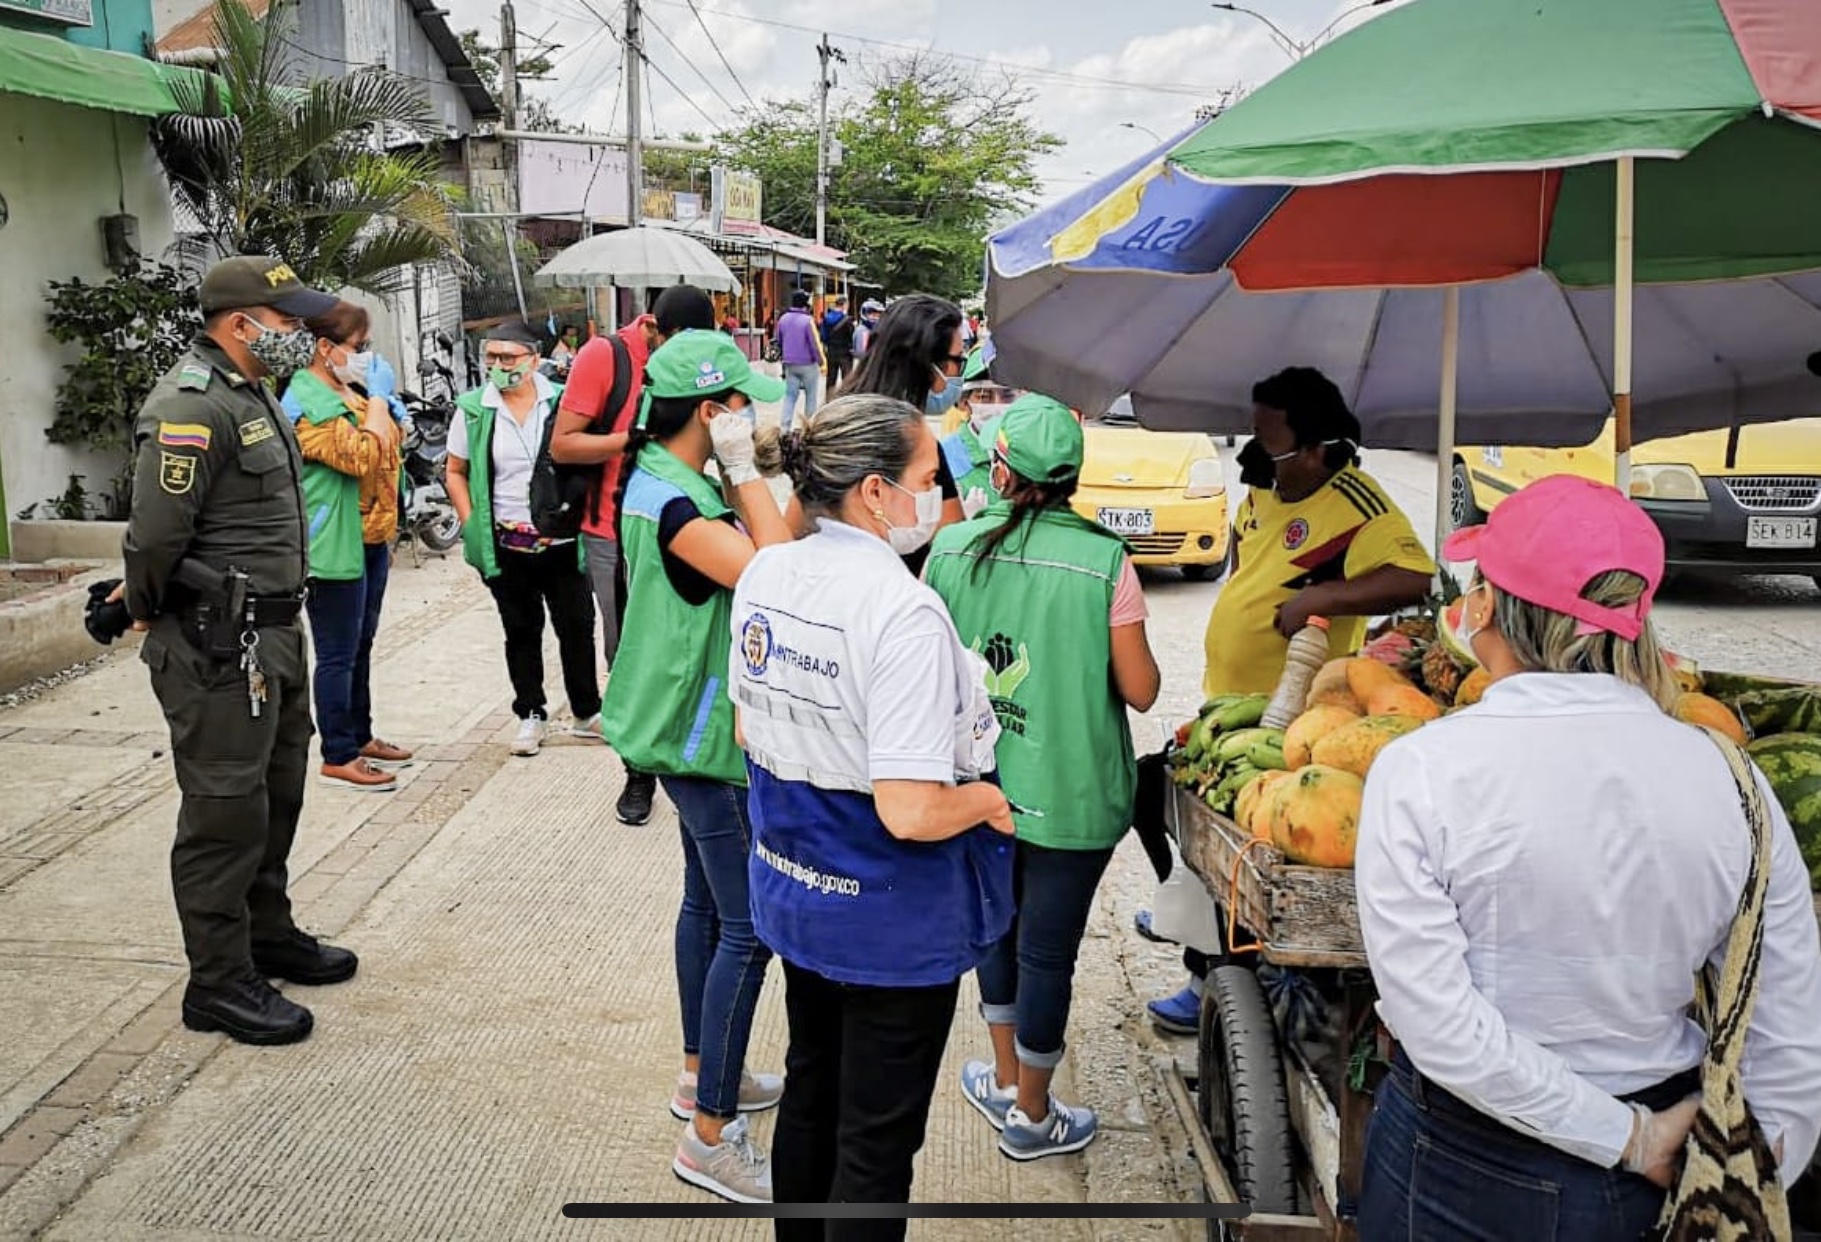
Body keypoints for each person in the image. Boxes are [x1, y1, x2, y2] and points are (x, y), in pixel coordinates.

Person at [1355, 473, 1821, 1238]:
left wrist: (1630, 1139)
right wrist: (1741, 1159)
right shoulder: (1735, 782)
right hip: (1673, 1149)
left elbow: (1435, 1020)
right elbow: (1786, 1011)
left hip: (1463, 1164)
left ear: (1489, 608)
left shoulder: (1423, 769)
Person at [738, 394, 1014, 1238]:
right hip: (888, 914)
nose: (936, 493)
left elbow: (751, 726)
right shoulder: (902, 611)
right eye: (928, 478)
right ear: (871, 492)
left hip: (797, 886)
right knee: (876, 1141)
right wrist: (992, 800)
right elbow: (909, 810)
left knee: (811, 1090)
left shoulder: (767, 568)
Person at [1147, 366, 1434, 1034]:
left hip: (1296, 719)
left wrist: (1321, 600)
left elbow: (1411, 575)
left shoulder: (1355, 501)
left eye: (1269, 443)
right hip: (1230, 699)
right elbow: (1253, 556)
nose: (1255, 455)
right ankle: (1196, 925)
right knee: (1166, 808)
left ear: (1315, 449)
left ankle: (1214, 976)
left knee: (1246, 852)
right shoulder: (1268, 484)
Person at [121, 255, 358, 1047]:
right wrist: (151, 612)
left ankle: (267, 934)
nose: (301, 334)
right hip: (214, 645)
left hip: (275, 635)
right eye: (288, 322)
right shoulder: (190, 406)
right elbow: (155, 536)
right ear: (241, 324)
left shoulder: (255, 391)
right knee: (223, 813)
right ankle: (217, 981)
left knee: (274, 797)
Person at [924, 393, 1161, 1161]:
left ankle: (1001, 1077)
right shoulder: (1104, 561)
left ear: (1001, 469)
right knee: (1047, 954)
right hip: (1074, 794)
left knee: (994, 928)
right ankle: (1030, 1114)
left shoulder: (949, 548)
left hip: (976, 792)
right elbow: (1142, 690)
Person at [600, 330, 797, 1204]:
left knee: (704, 909)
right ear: (712, 415)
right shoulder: (682, 505)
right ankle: (710, 1136)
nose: (752, 416)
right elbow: (775, 573)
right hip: (697, 739)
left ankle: (698, 1073)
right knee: (747, 929)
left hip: (678, 728)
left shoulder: (664, 481)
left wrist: (742, 477)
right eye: (740, 405)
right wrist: (746, 475)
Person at [549, 286, 718, 825]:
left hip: (686, 517)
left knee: (691, 646)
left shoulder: (698, 363)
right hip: (613, 530)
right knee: (628, 650)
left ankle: (688, 755)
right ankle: (637, 771)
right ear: (653, 327)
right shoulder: (608, 355)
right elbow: (563, 444)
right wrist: (630, 440)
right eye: (674, 340)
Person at [446, 322, 599, 758]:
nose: (498, 366)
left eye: (508, 358)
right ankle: (530, 712)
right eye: (491, 357)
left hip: (563, 542)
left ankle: (587, 711)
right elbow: (455, 470)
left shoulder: (563, 402)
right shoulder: (475, 409)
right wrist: (471, 521)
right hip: (507, 545)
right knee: (521, 630)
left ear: (534, 360)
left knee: (576, 626)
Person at [281, 300, 412, 793]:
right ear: (324, 348)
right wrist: (379, 404)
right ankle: (338, 753)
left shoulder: (347, 388)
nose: (366, 357)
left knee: (362, 645)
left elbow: (391, 444)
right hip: (333, 542)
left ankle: (360, 736)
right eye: (359, 347)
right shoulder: (306, 399)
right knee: (337, 653)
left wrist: (381, 407)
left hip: (370, 537)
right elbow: (360, 455)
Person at [836, 293, 971, 572]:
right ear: (927, 364)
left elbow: (795, 526)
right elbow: (952, 541)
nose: (959, 372)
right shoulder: (917, 439)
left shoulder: (835, 422)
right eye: (958, 360)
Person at [773, 290, 826, 433]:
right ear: (805, 304)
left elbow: (778, 339)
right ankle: (808, 428)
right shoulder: (807, 321)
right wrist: (821, 362)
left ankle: (784, 428)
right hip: (808, 364)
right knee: (811, 396)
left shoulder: (783, 319)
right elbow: (814, 344)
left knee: (790, 396)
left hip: (789, 363)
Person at [821, 295, 856, 391]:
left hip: (831, 351)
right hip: (845, 353)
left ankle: (829, 399)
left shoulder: (826, 318)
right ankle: (846, 398)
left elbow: (823, 336)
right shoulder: (848, 320)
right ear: (844, 305)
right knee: (847, 378)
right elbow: (852, 337)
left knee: (831, 378)